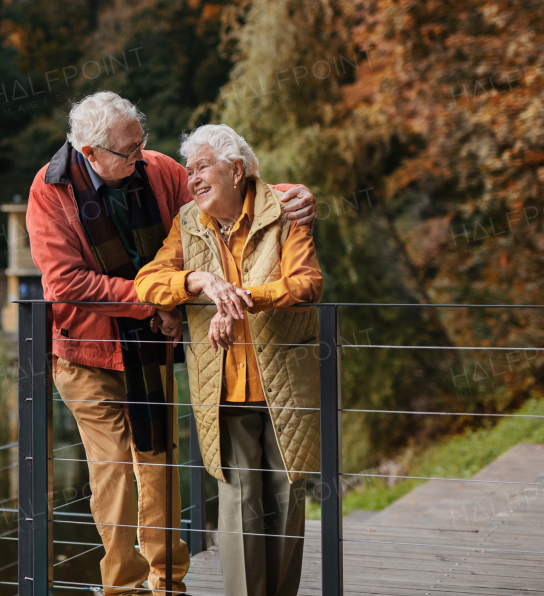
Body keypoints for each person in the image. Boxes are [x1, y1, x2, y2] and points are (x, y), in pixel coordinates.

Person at [26, 94, 317, 596]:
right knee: (114, 471)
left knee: (158, 466)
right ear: (92, 153)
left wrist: (294, 194)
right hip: (86, 350)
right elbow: (65, 285)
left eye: (142, 143)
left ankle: (168, 583)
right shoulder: (51, 190)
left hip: (150, 349)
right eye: (128, 150)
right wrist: (162, 301)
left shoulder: (155, 169)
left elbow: (228, 185)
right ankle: (122, 587)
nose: (141, 155)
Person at [134, 124, 323, 596]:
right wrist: (194, 281)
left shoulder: (286, 212)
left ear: (236, 170)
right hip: (222, 386)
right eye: (189, 170)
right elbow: (148, 280)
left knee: (286, 496)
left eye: (202, 168)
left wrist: (242, 298)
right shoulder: (188, 222)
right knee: (239, 501)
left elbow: (306, 284)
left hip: (285, 384)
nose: (192, 179)